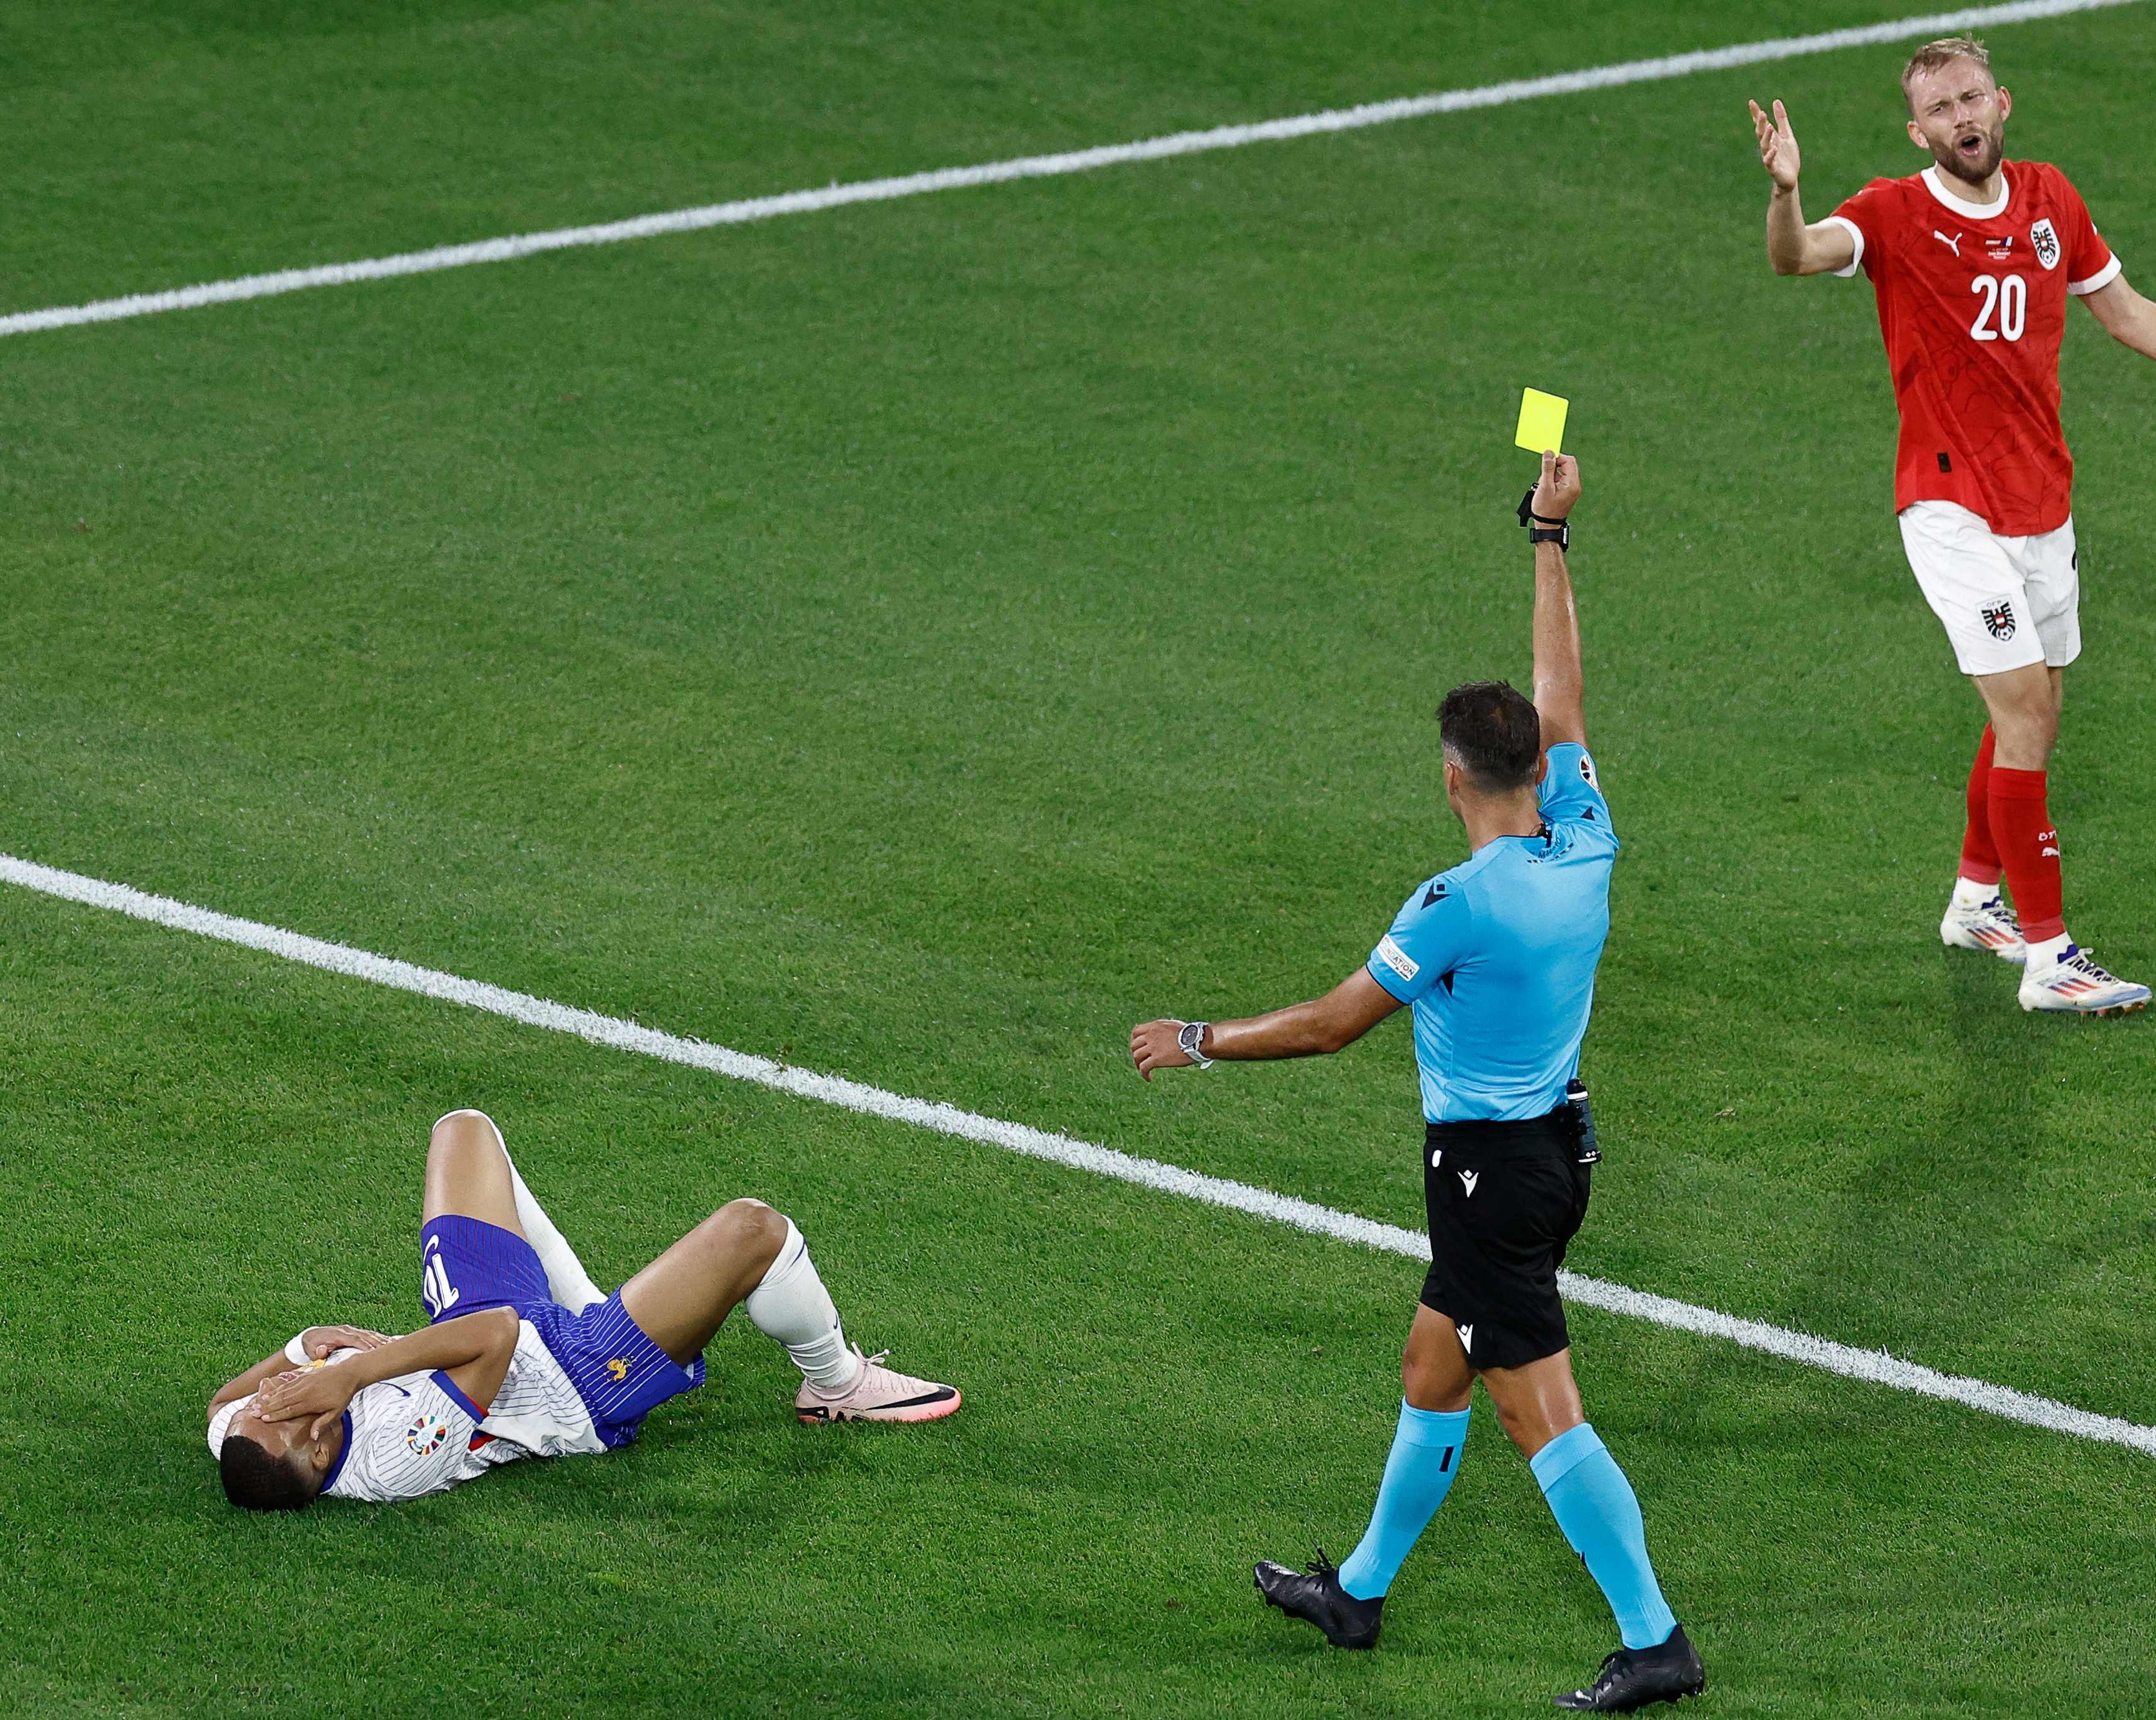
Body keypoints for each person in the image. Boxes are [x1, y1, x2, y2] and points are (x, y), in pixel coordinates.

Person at [1130, 454, 1702, 1713]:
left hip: (1488, 1175)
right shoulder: (1582, 837)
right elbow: (1565, 693)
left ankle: (1654, 1636)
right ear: (1534, 769)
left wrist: (1200, 1036)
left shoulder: (1454, 906)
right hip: (1555, 1145)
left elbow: (1335, 1024)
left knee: (1537, 1415)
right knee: (1427, 1365)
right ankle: (1361, 1592)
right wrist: (1544, 539)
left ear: (1451, 777)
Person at [1748, 35, 2156, 1014]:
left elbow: (2126, 312)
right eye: (1941, 109)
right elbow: (1797, 255)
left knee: (2033, 710)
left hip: (2042, 503)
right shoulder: (1894, 213)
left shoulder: (2049, 200)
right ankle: (2050, 957)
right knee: (2026, 709)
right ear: (1919, 131)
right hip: (1948, 506)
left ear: (2004, 103)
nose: (1962, 118)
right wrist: (1786, 191)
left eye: (1972, 98)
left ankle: (1972, 901)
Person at [206, 1108, 958, 1508]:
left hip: (476, 1326)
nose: (280, 1396)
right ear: (314, 1459)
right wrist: (350, 1374)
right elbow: (495, 1338)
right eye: (292, 1413)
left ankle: (600, 1304)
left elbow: (222, 1400)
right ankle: (835, 1383)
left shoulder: (245, 1434)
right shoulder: (392, 1461)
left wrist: (304, 1345)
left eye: (265, 1404)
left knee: (464, 1130)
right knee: (752, 1230)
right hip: (573, 1383)